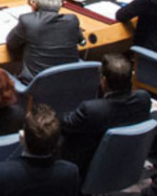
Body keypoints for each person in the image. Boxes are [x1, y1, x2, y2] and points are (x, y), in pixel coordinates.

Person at [61, 53, 151, 181]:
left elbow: (64, 125)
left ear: (103, 81)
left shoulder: (91, 110)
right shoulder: (143, 99)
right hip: (125, 161)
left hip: (88, 168)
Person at [6, 0, 83, 82]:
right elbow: (80, 40)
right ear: (60, 3)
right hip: (69, 83)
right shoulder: (72, 20)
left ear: (35, 4)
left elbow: (11, 43)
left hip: (35, 86)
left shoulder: (27, 21)